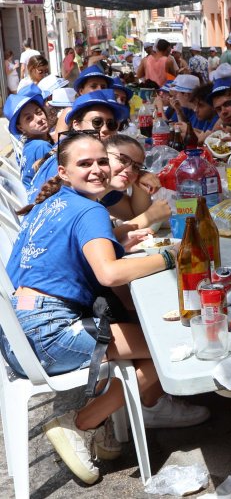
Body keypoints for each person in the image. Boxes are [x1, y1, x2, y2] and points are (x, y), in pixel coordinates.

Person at [6, 131, 208, 485]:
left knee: (149, 336)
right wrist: (169, 256)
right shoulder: (91, 211)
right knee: (170, 347)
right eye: (85, 164)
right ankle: (82, 423)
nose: (97, 169)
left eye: (101, 161)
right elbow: (110, 273)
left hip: (17, 333)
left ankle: (106, 418)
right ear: (64, 171)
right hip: (48, 335)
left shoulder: (51, 202)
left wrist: (114, 240)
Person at [3, 92, 53, 188]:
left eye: (39, 112)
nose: (39, 119)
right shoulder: (41, 146)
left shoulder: (29, 144)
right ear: (21, 128)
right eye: (29, 118)